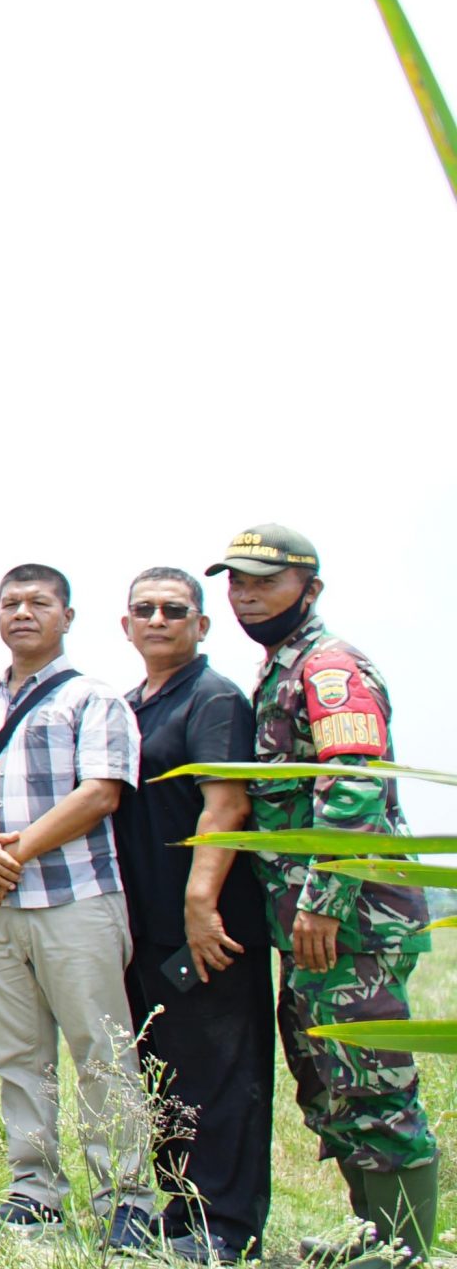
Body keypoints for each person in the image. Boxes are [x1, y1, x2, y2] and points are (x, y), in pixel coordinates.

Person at [212, 524, 438, 1267]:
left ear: (309, 588)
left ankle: (404, 1249)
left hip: (352, 921)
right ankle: (368, 1231)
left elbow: (354, 790)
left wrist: (321, 902)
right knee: (331, 1083)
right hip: (311, 922)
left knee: (373, 1081)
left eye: (263, 582)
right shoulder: (281, 666)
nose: (246, 595)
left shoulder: (331, 668)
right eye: (236, 582)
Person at [0, 565, 153, 1246]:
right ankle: (35, 1190)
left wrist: (17, 850)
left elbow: (102, 794)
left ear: (67, 615)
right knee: (16, 1055)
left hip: (75, 898)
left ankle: (127, 1199)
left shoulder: (94, 699)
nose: (23, 612)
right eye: (11, 602)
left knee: (103, 1051)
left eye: (38, 602)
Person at [116, 567, 272, 1266]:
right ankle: (181, 1213)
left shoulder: (213, 699)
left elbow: (228, 803)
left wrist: (201, 904)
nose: (158, 619)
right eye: (144, 609)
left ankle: (225, 1226)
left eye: (173, 609)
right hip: (145, 925)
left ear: (200, 624)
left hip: (208, 927)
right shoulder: (129, 705)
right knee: (164, 1071)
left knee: (218, 1071)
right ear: (125, 625)